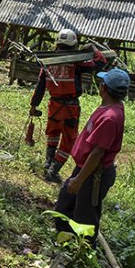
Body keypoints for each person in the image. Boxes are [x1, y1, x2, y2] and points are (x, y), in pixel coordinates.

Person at [53, 68, 128, 247]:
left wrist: (79, 180)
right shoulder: (109, 107)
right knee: (65, 205)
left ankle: (83, 253)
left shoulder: (110, 118)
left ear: (104, 88)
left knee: (85, 218)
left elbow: (97, 153)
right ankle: (67, 243)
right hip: (85, 168)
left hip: (93, 173)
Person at [30, 29, 107, 183]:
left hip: (54, 104)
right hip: (70, 108)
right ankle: (53, 171)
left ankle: (48, 163)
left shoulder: (48, 62)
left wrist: (33, 105)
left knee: (53, 133)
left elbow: (40, 86)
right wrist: (93, 48)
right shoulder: (76, 63)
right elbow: (101, 62)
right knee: (68, 140)